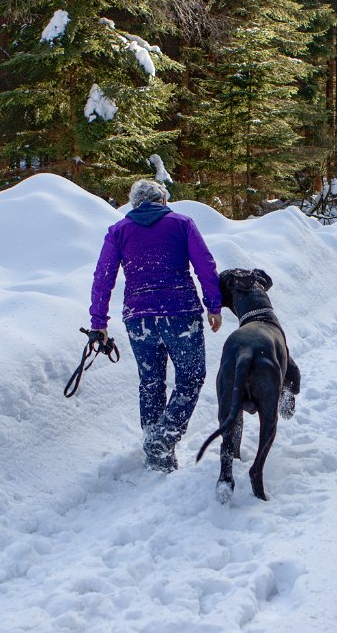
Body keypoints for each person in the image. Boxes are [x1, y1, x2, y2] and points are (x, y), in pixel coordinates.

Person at [88, 179, 222, 472]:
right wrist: (214, 305)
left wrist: (99, 322)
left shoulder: (119, 231)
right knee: (190, 377)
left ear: (135, 203)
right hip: (180, 313)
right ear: (163, 200)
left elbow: (103, 277)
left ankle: (156, 452)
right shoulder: (182, 224)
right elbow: (205, 265)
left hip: (139, 318)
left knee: (150, 383)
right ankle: (164, 438)